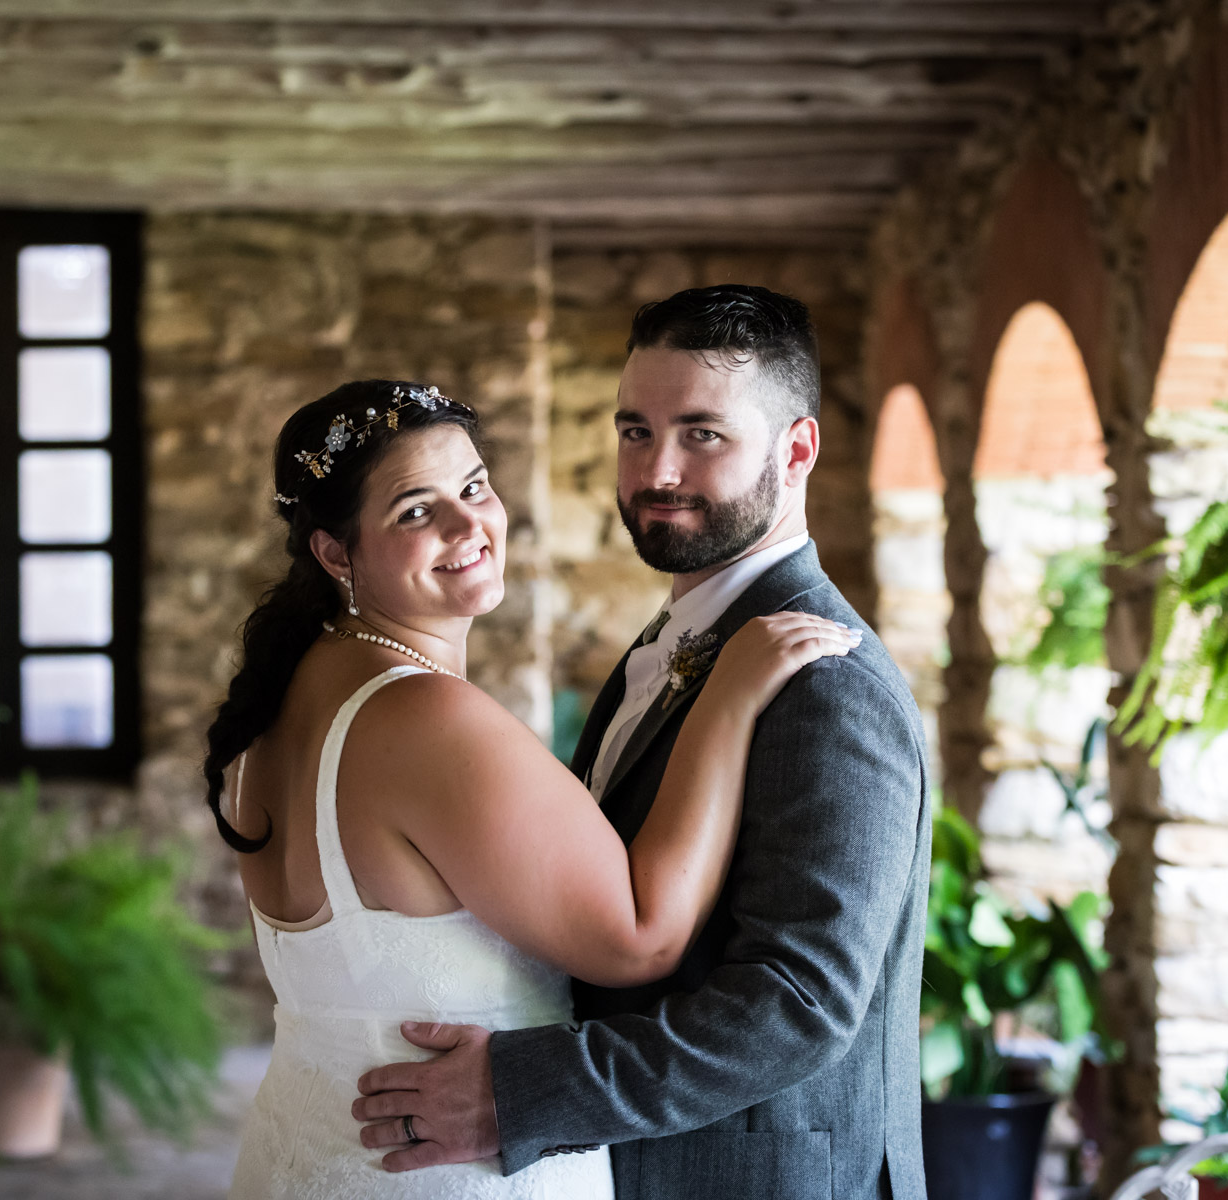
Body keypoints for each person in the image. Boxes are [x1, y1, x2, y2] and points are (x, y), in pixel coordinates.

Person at [206, 376, 860, 1199]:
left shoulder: (278, 708)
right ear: (336, 552)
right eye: (415, 510)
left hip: (303, 1157)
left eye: (474, 486)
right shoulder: (423, 716)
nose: (467, 524)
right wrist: (727, 695)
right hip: (447, 1172)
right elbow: (641, 935)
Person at [350, 286, 934, 1200]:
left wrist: (519, 1092)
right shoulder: (660, 650)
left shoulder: (826, 684)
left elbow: (799, 1005)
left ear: (798, 449)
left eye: (703, 434)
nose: (657, 470)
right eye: (635, 431)